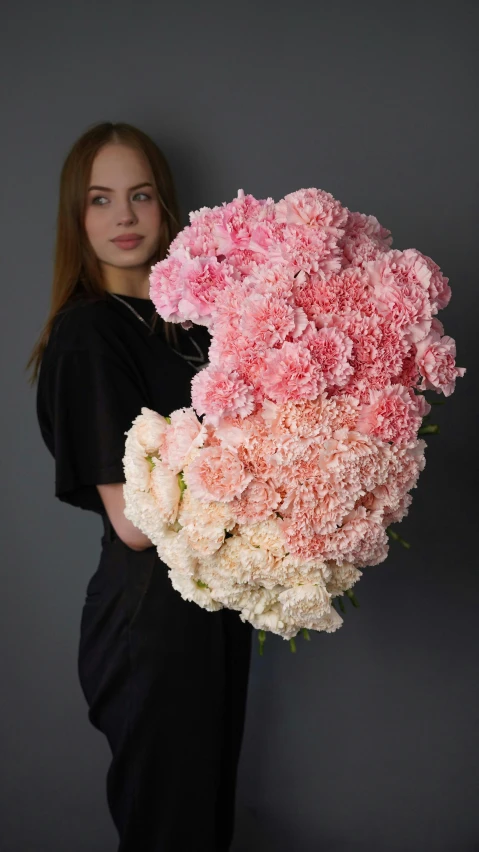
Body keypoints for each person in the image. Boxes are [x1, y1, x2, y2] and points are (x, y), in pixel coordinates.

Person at [28, 121, 253, 852]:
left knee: (203, 820)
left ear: (165, 207)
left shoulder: (192, 329)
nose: (123, 217)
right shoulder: (90, 333)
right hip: (149, 613)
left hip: (212, 600)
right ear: (76, 217)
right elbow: (132, 522)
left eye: (140, 196)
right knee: (171, 828)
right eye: (99, 200)